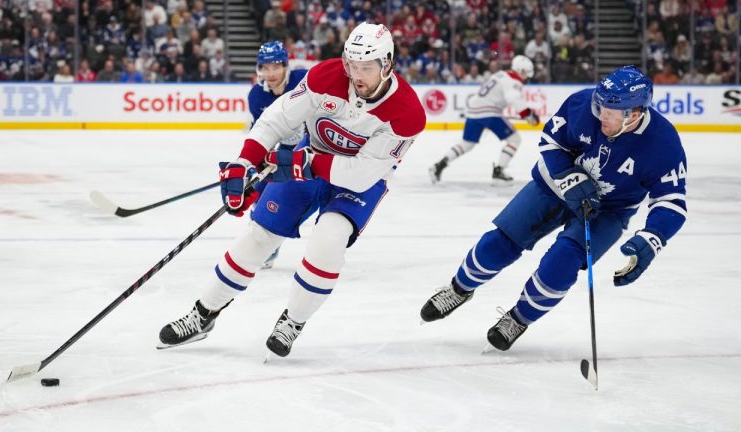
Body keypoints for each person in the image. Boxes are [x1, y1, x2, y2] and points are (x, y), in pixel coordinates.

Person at [159, 22, 426, 358]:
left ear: (387, 64)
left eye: (366, 67)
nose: (356, 74)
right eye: (351, 64)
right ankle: (203, 314)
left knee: (328, 241)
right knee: (258, 237)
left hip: (357, 183)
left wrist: (307, 162)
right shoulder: (325, 77)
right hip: (309, 159)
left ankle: (293, 320)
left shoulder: (407, 113)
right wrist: (246, 161)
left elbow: (360, 175)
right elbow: (278, 118)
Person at [419, 66, 687, 352]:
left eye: (610, 113)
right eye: (600, 107)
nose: (601, 117)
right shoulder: (584, 104)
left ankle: (518, 319)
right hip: (552, 185)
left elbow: (672, 201)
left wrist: (653, 237)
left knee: (561, 265)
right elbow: (551, 141)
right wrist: (568, 176)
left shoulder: (664, 143)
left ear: (634, 114)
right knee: (502, 240)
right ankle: (458, 289)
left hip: (608, 210)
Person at [429, 55, 540, 184]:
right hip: (489, 112)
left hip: (473, 110)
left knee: (467, 144)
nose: (526, 77)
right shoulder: (513, 81)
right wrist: (528, 114)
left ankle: (439, 165)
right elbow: (513, 98)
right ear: (521, 70)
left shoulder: (500, 74)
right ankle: (499, 171)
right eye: (526, 73)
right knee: (515, 139)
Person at [248, 40, 309, 269]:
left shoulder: (303, 80)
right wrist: (256, 163)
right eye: (265, 67)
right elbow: (260, 133)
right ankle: (267, 245)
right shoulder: (256, 95)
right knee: (259, 195)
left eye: (275, 66)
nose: (270, 73)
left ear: (285, 66)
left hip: (313, 147)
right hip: (282, 151)